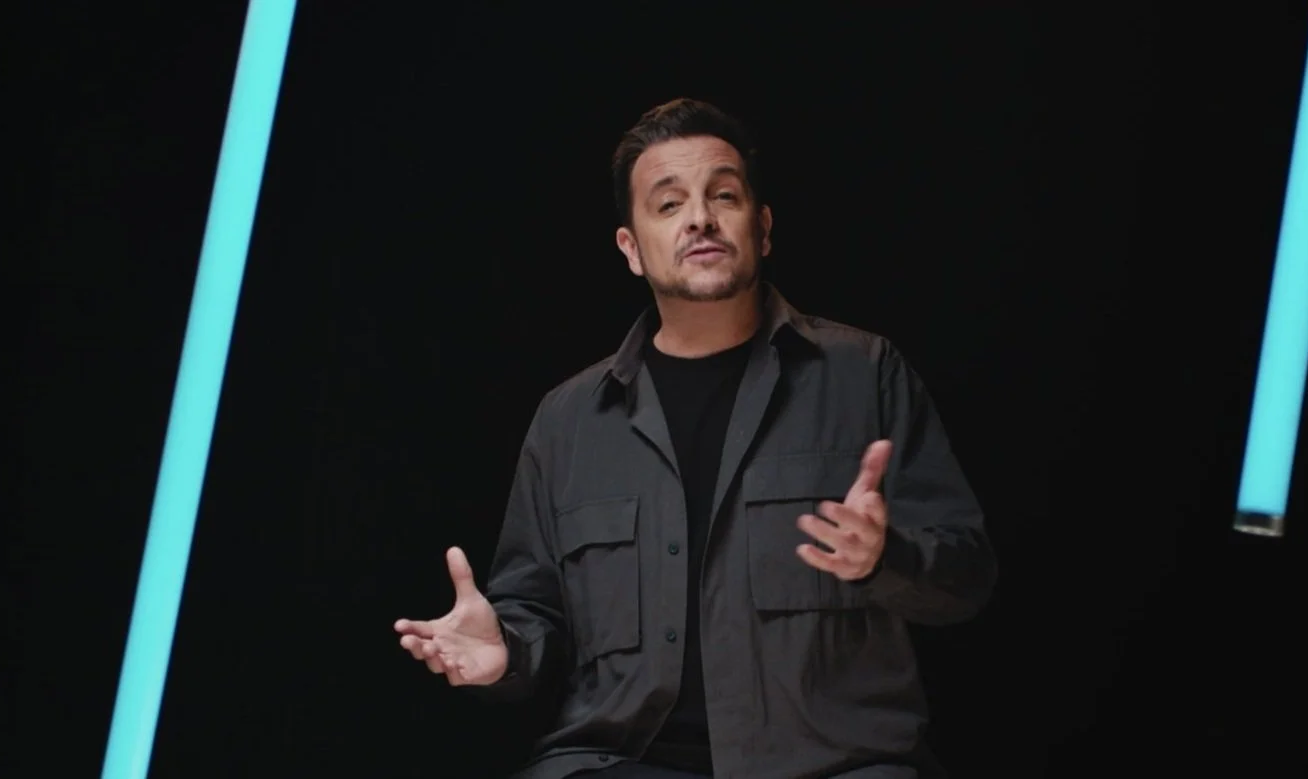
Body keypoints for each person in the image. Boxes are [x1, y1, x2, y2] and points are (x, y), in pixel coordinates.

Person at [394, 98, 997, 779]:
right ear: (631, 248)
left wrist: (886, 556)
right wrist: (506, 649)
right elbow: (535, 611)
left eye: (724, 195)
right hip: (620, 761)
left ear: (762, 229)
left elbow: (967, 577)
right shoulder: (568, 420)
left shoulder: (865, 374)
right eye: (668, 203)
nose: (700, 218)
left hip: (835, 765)